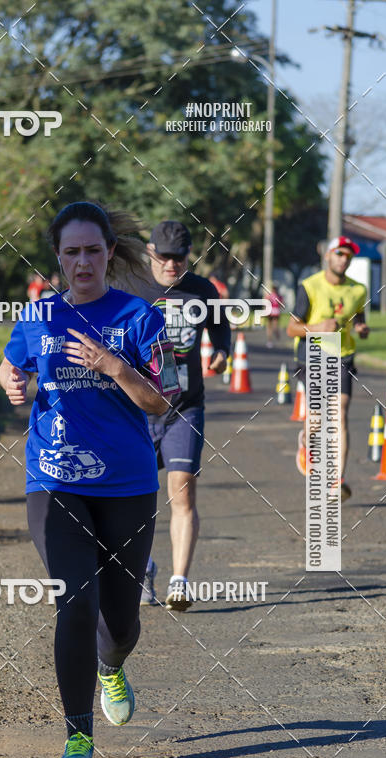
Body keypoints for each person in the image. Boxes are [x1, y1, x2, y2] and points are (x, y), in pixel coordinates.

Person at [0, 201, 175, 758]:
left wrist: (114, 367)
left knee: (120, 623)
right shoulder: (40, 317)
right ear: (58, 258)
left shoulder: (139, 317)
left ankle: (111, 664)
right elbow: (10, 365)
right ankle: (78, 737)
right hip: (53, 479)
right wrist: (14, 384)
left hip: (126, 484)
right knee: (74, 600)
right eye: (71, 252)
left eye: (92, 250)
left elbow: (162, 398)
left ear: (108, 254)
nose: (82, 262)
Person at [135, 221, 231, 610]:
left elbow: (222, 327)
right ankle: (142, 568)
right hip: (137, 409)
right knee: (134, 500)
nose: (172, 265)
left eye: (180, 257)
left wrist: (221, 352)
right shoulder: (130, 285)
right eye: (164, 256)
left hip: (185, 407)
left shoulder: (203, 290)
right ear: (149, 251)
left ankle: (180, 582)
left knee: (182, 490)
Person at [287, 235, 369, 501]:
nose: (344, 259)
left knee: (339, 413)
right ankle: (305, 440)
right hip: (311, 354)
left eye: (348, 255)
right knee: (318, 419)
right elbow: (292, 328)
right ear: (327, 256)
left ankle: (336, 479)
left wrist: (361, 328)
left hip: (341, 356)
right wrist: (319, 328)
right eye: (339, 254)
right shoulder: (309, 287)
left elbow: (359, 316)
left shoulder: (358, 290)